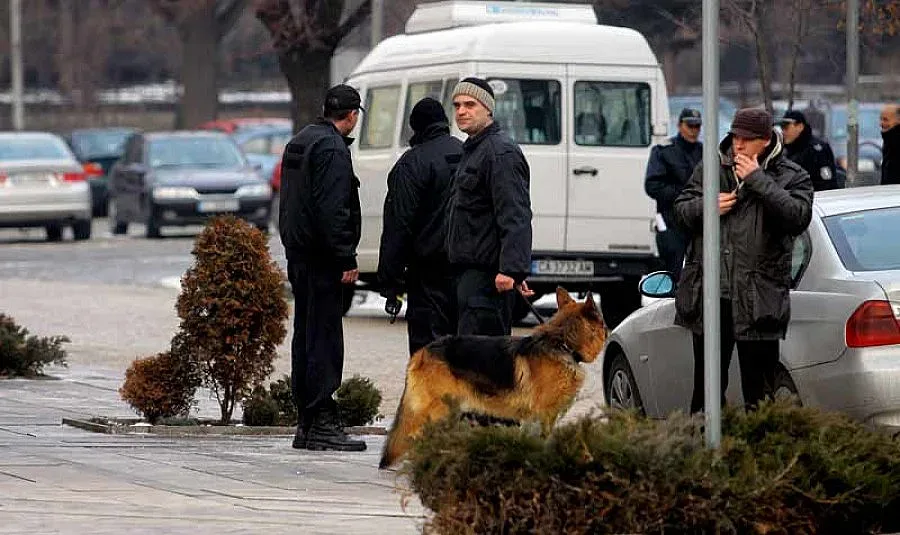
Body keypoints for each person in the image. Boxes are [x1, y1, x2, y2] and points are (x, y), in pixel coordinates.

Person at [673, 108, 813, 414]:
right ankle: (707, 454)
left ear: (764, 141)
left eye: (746, 139)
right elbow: (680, 211)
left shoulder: (792, 175)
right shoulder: (712, 167)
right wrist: (704, 207)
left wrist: (758, 180)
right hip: (712, 296)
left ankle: (758, 459)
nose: (738, 145)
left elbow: (798, 218)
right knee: (706, 394)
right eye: (735, 137)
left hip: (758, 300)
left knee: (760, 397)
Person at [279, 84, 366, 452]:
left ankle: (307, 423)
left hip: (300, 256)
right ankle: (322, 421)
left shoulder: (300, 140)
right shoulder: (331, 148)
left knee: (306, 336)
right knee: (325, 339)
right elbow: (333, 209)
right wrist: (345, 257)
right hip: (323, 260)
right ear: (351, 115)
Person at [446, 77, 533, 336]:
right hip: (470, 277)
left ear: (488, 108)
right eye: (457, 105)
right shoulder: (474, 150)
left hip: (487, 281)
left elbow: (514, 214)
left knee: (483, 369)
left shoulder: (499, 152)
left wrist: (511, 269)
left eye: (470, 104)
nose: (462, 111)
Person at [378, 97, 463, 354]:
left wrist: (390, 281)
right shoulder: (469, 153)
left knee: (428, 354)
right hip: (469, 268)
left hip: (428, 272)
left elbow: (398, 225)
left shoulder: (412, 164)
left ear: (416, 127)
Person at [644, 108, 703, 279]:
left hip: (698, 224)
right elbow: (652, 185)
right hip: (672, 222)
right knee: (675, 271)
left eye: (697, 126)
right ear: (679, 125)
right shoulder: (664, 152)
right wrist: (685, 195)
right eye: (690, 125)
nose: (694, 130)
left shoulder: (704, 153)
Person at [779, 109, 840, 191]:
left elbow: (827, 182)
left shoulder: (817, 150)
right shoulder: (785, 150)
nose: (783, 131)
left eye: (786, 127)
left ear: (800, 127)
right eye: (782, 128)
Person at [880, 103, 900, 185]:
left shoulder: (894, 140)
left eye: (885, 119)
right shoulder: (889, 138)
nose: (881, 123)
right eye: (881, 119)